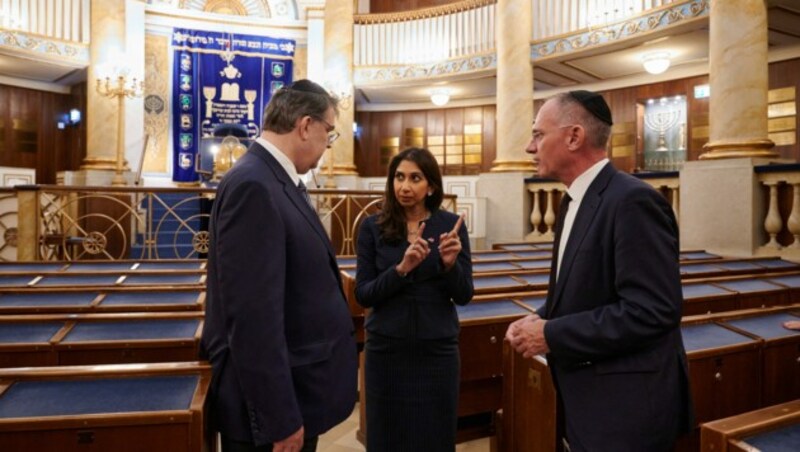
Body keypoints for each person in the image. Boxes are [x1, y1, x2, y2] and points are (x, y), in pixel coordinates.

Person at [505, 90, 694, 451]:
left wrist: (552, 334)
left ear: (574, 137)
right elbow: (584, 289)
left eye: (538, 134)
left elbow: (652, 311)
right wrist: (539, 319)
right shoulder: (573, 200)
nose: (530, 147)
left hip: (626, 410)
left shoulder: (632, 200)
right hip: (589, 398)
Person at [201, 79, 357, 452]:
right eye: (328, 133)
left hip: (296, 388)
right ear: (305, 126)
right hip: (272, 413)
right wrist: (279, 417)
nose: (327, 146)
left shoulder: (273, 179)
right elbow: (253, 317)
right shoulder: (255, 185)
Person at [355, 147, 473, 451]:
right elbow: (363, 294)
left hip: (437, 350)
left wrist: (449, 265)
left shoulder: (450, 226)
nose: (404, 187)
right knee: (386, 438)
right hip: (387, 350)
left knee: (434, 438)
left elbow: (464, 295)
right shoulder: (373, 227)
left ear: (431, 185)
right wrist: (401, 269)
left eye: (415, 178)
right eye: (399, 177)